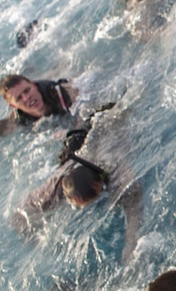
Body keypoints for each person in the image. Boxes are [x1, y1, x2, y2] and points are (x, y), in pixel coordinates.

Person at [10, 112, 142, 263]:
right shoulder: (55, 186)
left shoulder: (119, 177)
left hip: (114, 130)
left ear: (97, 185)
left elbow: (135, 214)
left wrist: (130, 250)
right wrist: (37, 241)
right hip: (84, 152)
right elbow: (19, 215)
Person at [0, 74, 77, 136]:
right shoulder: (17, 120)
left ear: (34, 85)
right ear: (14, 106)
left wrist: (70, 131)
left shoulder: (64, 94)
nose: (26, 98)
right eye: (19, 98)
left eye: (27, 90)